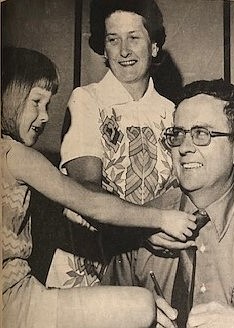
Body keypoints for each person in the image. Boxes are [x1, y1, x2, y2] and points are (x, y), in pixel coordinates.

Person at [1, 46, 196, 328]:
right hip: (16, 302)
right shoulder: (14, 155)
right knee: (144, 304)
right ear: (10, 96)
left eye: (48, 105)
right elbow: (91, 202)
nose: (45, 116)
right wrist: (162, 218)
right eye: (36, 102)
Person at [47, 0, 188, 288]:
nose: (124, 50)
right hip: (91, 264)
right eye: (113, 39)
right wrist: (146, 226)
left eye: (134, 37)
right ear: (105, 48)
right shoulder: (88, 99)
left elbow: (182, 190)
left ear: (154, 46)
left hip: (154, 263)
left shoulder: (173, 111)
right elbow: (87, 190)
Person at [102, 79, 234, 328]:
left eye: (201, 134)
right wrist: (127, 315)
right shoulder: (141, 222)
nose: (184, 148)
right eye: (178, 134)